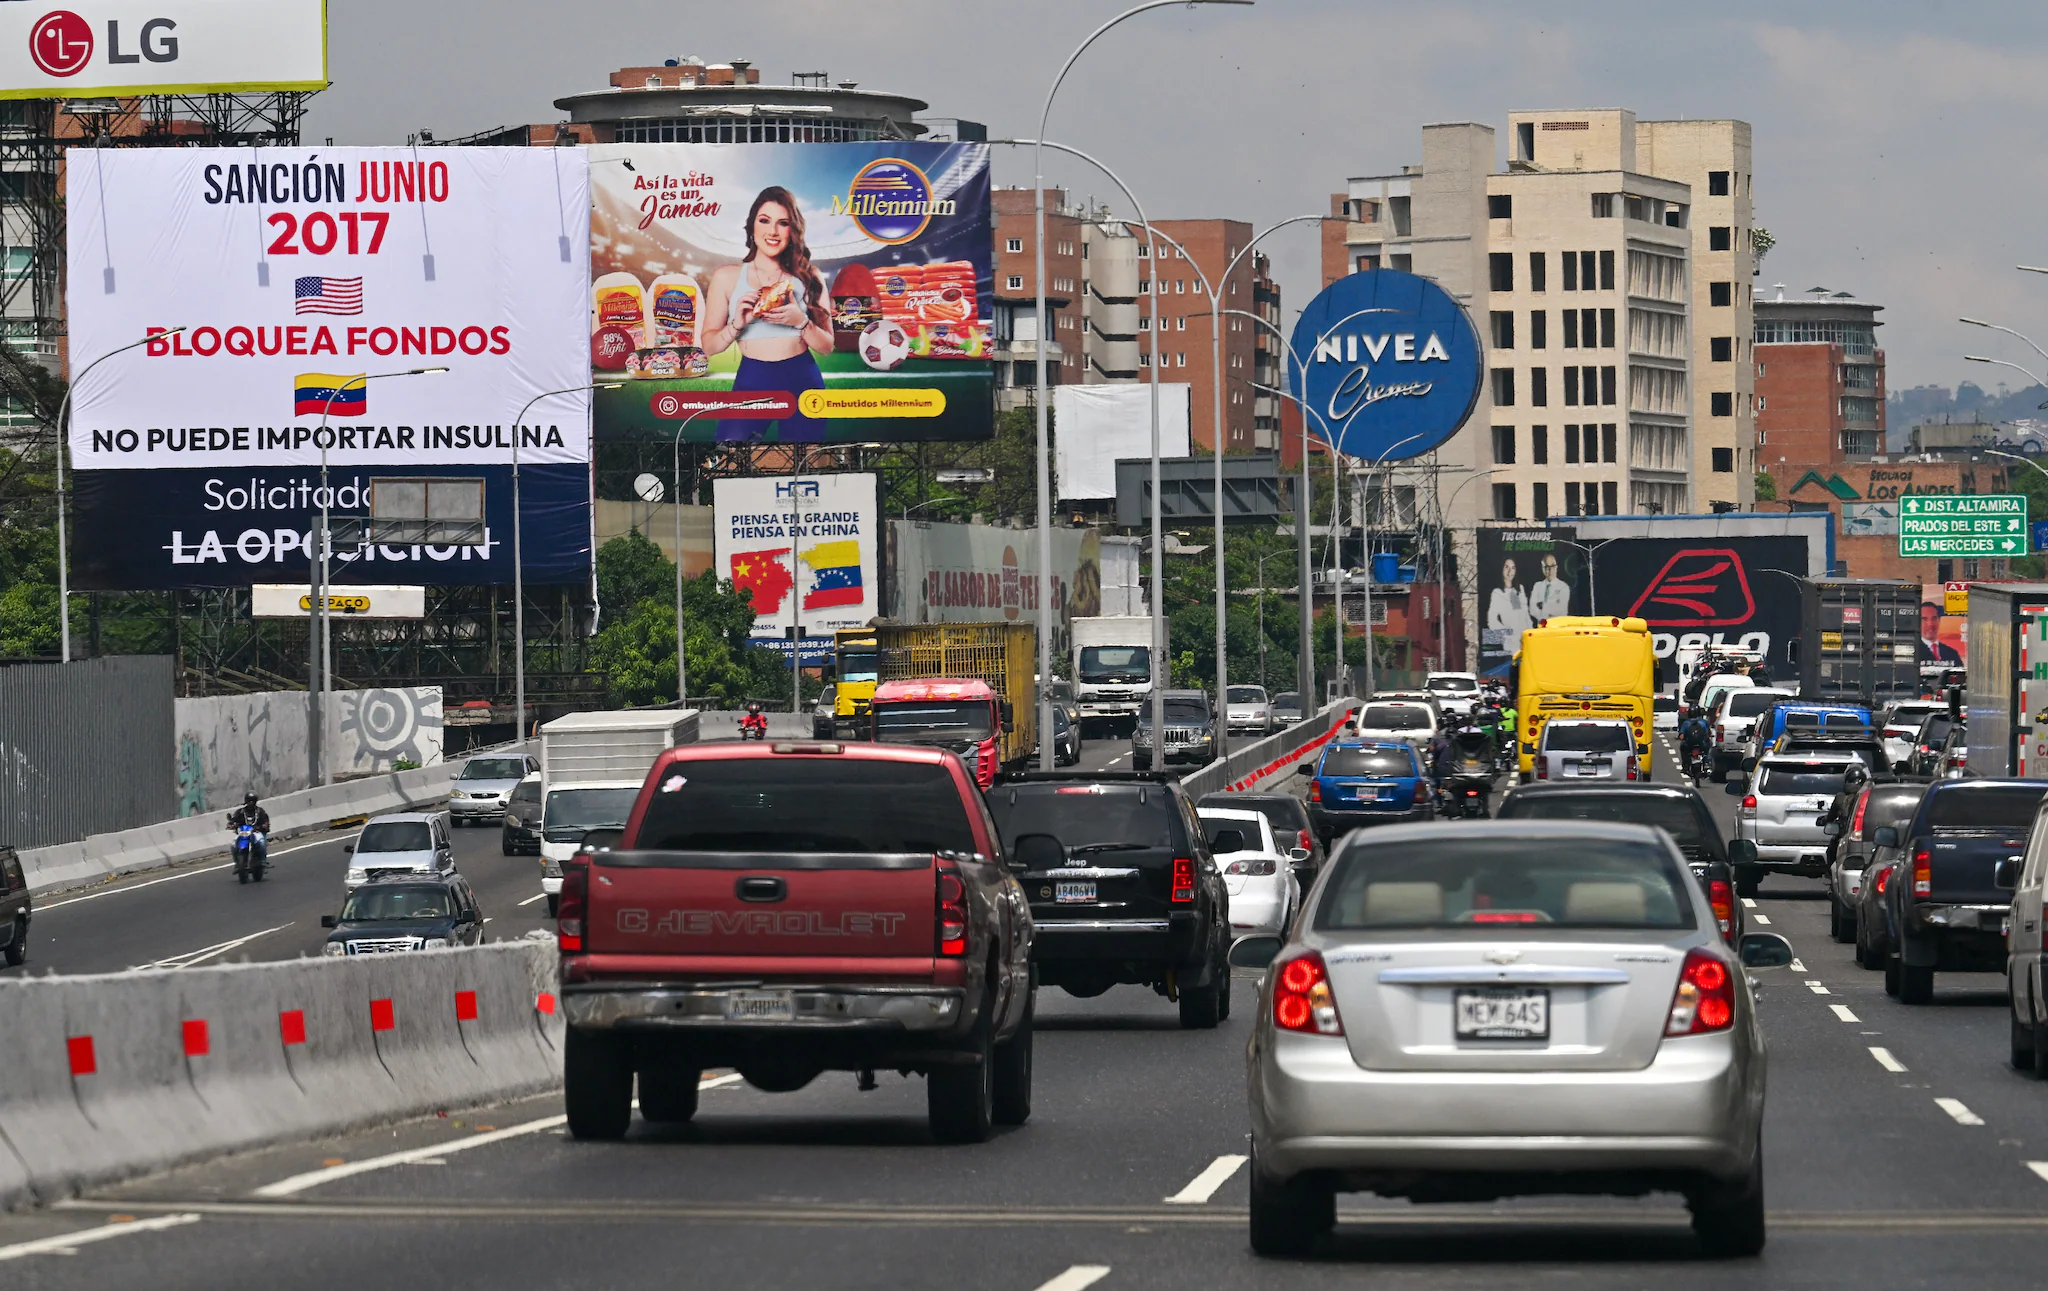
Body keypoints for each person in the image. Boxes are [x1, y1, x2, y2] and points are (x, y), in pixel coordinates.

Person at [701, 187, 837, 444]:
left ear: (792, 231)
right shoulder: (727, 276)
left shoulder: (810, 276)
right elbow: (709, 346)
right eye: (764, 220)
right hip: (752, 377)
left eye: (782, 223)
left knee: (805, 466)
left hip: (801, 378)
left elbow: (827, 347)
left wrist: (801, 322)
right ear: (752, 226)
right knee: (729, 462)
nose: (773, 231)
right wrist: (736, 325)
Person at [226, 792, 270, 871]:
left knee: (261, 842)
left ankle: (263, 861)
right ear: (246, 801)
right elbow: (233, 819)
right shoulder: (240, 812)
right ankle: (237, 863)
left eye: (252, 801)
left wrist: (264, 825)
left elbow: (266, 821)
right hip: (244, 832)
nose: (250, 803)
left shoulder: (260, 811)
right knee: (233, 844)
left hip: (256, 832)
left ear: (255, 801)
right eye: (249, 801)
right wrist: (230, 824)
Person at [1528, 552, 1573, 624]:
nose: (1550, 570)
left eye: (1552, 566)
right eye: (1546, 567)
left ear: (1556, 567)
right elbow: (1532, 609)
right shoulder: (1537, 586)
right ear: (1542, 568)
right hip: (1541, 626)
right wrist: (1544, 618)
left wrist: (1543, 605)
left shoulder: (1564, 587)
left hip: (1558, 626)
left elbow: (1562, 610)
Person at [1679, 706, 1713, 776]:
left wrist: (1683, 738)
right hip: (1702, 744)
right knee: (1709, 748)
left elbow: (1681, 736)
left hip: (1689, 745)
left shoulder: (1686, 723)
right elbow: (1708, 734)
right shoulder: (1704, 722)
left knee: (1683, 748)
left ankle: (1685, 766)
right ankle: (1707, 764)